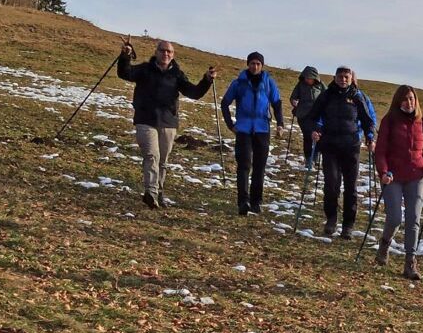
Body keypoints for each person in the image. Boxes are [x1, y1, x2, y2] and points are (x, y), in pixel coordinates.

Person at [117, 38, 216, 209]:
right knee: (151, 156)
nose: (165, 54)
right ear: (156, 52)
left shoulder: (176, 74)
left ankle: (159, 193)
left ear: (173, 55)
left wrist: (207, 79)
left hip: (168, 122)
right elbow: (125, 73)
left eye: (169, 51)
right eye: (162, 50)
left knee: (162, 161)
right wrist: (125, 56)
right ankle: (151, 192)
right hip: (145, 120)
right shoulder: (145, 69)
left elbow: (193, 93)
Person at [373, 85, 423, 279]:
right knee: (394, 218)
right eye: (404, 99)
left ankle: (410, 262)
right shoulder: (389, 121)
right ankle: (384, 244)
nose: (408, 102)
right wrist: (383, 172)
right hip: (392, 176)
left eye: (411, 99)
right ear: (397, 101)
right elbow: (381, 151)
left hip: (416, 177)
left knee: (413, 220)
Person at [304, 66, 375, 238]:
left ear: (351, 79)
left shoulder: (357, 97)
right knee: (331, 185)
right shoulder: (327, 95)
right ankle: (331, 219)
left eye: (346, 77)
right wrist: (314, 130)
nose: (343, 79)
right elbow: (311, 117)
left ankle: (348, 225)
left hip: (351, 147)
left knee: (351, 187)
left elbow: (368, 120)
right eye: (340, 76)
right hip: (329, 146)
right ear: (335, 77)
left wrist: (370, 136)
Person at [220, 52, 284, 215]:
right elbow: (225, 103)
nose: (255, 66)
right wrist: (230, 124)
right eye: (252, 63)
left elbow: (277, 103)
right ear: (248, 64)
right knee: (244, 165)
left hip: (262, 128)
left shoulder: (269, 82)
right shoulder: (239, 83)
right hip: (243, 129)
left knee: (260, 167)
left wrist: (280, 124)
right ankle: (243, 202)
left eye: (258, 64)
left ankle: (256, 202)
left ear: (262, 65)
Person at [289, 66, 326, 168]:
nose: (307, 79)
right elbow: (293, 97)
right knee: (307, 136)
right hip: (303, 115)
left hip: (317, 115)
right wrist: (294, 102)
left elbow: (328, 96)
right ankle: (309, 159)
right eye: (305, 77)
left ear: (314, 78)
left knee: (318, 136)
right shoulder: (300, 85)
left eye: (309, 77)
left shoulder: (321, 85)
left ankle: (315, 156)